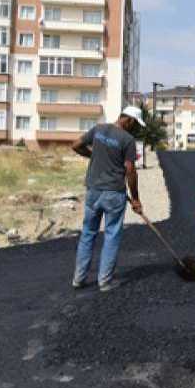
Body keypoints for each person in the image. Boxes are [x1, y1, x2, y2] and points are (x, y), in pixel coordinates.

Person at [70, 106, 145, 292]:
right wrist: (135, 199)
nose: (134, 128)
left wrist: (92, 155)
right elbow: (130, 171)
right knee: (111, 236)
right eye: (135, 124)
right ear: (129, 120)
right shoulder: (127, 140)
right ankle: (104, 282)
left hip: (93, 191)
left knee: (88, 234)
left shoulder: (98, 129)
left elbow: (75, 145)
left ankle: (78, 279)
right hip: (114, 194)